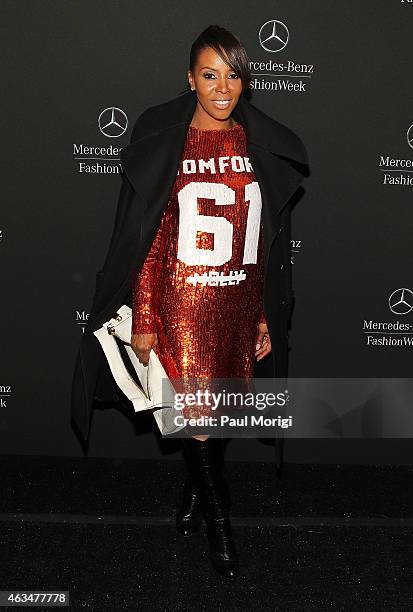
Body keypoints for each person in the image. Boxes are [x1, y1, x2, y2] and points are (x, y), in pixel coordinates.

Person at [70, 24, 309, 581]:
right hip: (181, 307)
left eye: (233, 74)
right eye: (209, 75)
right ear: (190, 80)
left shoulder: (258, 145)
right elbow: (150, 240)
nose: (222, 87)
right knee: (198, 418)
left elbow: (267, 241)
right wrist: (147, 315)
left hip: (238, 304)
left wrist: (265, 312)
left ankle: (194, 487)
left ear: (245, 80)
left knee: (216, 412)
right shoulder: (169, 145)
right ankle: (221, 518)